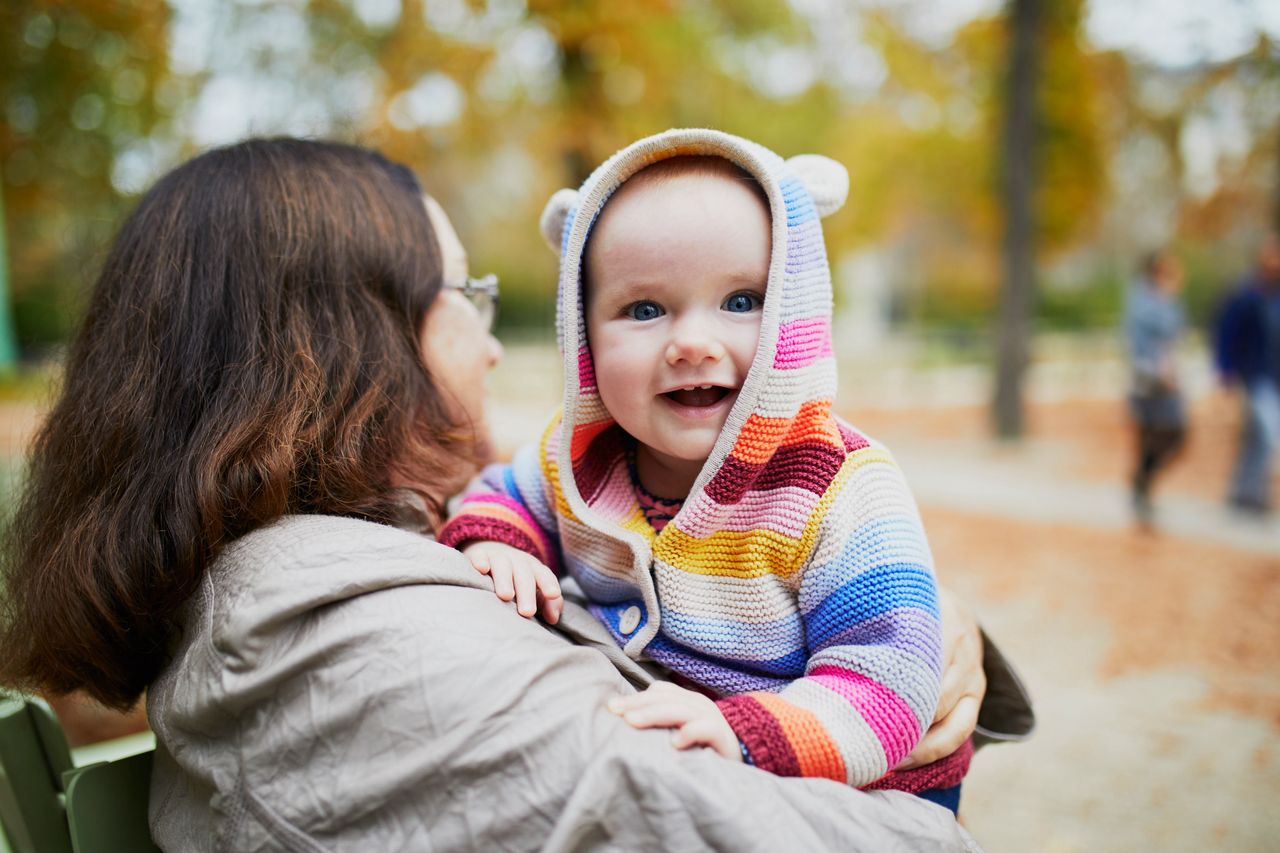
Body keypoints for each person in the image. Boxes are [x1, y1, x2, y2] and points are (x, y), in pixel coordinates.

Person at [0, 138, 1017, 851]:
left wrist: (918, 627)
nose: (493, 343)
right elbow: (674, 809)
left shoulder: (350, 559)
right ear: (335, 336)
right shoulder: (329, 636)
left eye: (743, 299)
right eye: (465, 296)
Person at [440, 129, 968, 812]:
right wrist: (495, 542)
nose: (692, 342)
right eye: (645, 309)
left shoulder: (839, 488)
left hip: (863, 777)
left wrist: (746, 730)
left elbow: (888, 676)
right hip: (693, 748)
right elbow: (507, 494)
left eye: (742, 300)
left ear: (797, 311)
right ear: (583, 334)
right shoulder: (577, 459)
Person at [1214, 233, 1280, 516]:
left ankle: (1240, 492)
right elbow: (1226, 332)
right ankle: (1256, 494)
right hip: (1255, 374)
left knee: (1253, 436)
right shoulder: (1246, 292)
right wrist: (1225, 369)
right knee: (1268, 434)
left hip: (1274, 374)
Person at [1123, 250, 1187, 525]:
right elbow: (1135, 342)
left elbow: (1174, 340)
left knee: (1174, 435)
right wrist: (1153, 369)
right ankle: (1142, 493)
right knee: (1150, 435)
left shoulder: (1169, 300)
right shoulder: (1141, 303)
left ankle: (1141, 483)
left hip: (1169, 380)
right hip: (1148, 381)